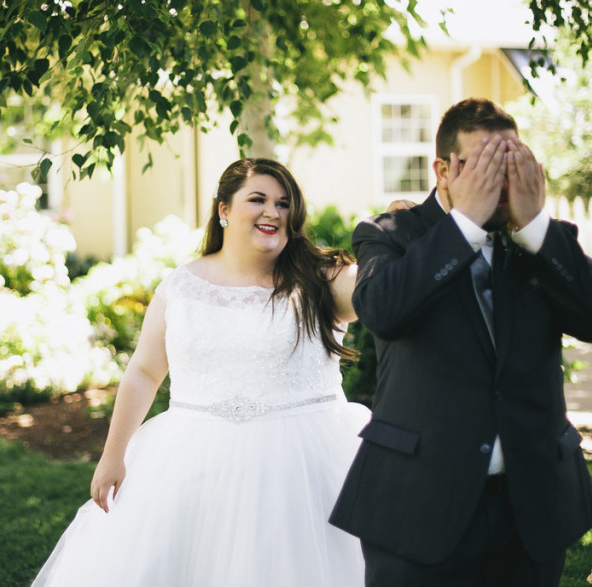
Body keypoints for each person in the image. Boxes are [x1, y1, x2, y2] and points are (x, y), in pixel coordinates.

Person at [329, 98, 592, 586]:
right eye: (482, 165)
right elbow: (383, 311)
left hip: (532, 509)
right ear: (443, 171)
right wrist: (464, 223)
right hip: (418, 507)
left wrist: (535, 228)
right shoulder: (391, 235)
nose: (498, 179)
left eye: (508, 164)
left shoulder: (542, 240)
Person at [33, 158, 371, 586]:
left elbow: (381, 290)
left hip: (306, 468)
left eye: (284, 204)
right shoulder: (181, 287)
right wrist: (112, 455)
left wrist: (393, 240)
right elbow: (143, 372)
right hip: (191, 465)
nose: (273, 212)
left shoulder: (321, 280)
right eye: (258, 199)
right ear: (224, 210)